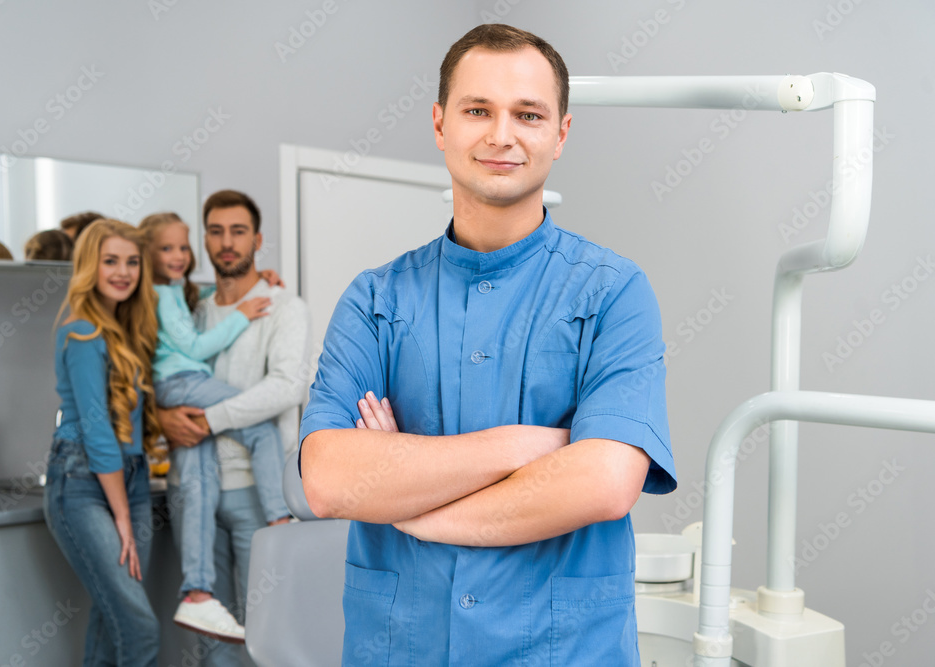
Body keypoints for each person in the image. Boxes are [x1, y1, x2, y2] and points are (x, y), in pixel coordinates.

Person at [299, 24, 677, 665]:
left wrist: (409, 502)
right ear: (441, 125)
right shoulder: (376, 300)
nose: (502, 135)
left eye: (527, 114)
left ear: (560, 134)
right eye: (478, 110)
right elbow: (330, 480)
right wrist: (522, 446)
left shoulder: (613, 292)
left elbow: (606, 482)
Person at [157, 190, 311, 666]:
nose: (227, 242)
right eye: (216, 231)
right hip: (194, 492)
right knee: (211, 640)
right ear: (203, 240)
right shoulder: (192, 307)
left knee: (265, 637)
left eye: (238, 231)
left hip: (256, 495)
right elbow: (157, 372)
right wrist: (161, 418)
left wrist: (210, 420)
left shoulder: (284, 307)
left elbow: (287, 387)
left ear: (257, 239)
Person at [43, 218, 161, 666]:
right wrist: (124, 516)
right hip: (82, 481)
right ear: (89, 265)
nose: (123, 271)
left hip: (130, 477)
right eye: (110, 260)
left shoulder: (124, 328)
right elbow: (97, 432)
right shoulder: (82, 333)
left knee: (111, 620)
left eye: (132, 262)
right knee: (139, 628)